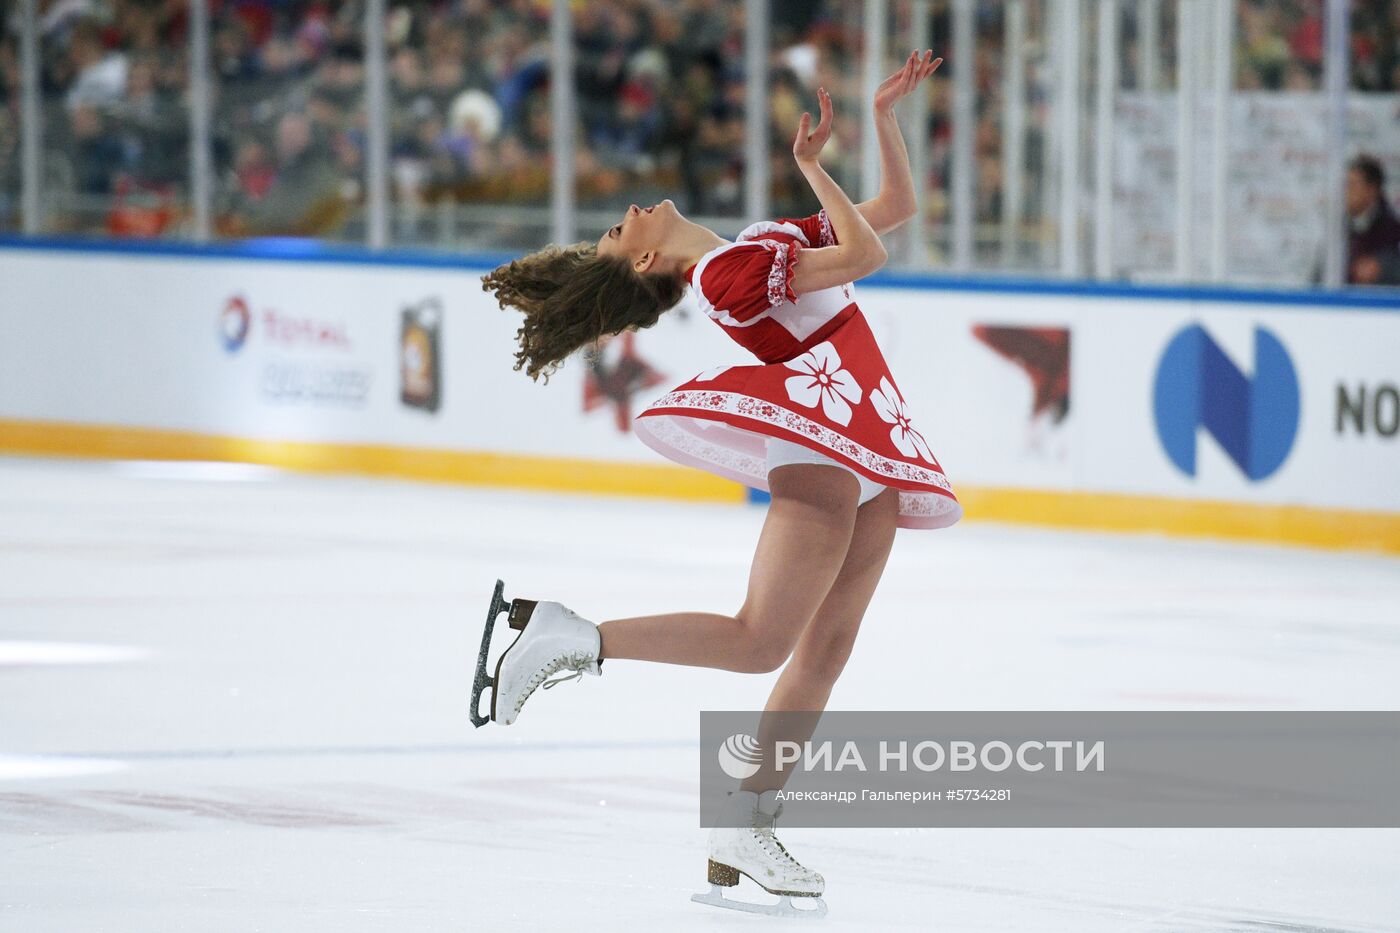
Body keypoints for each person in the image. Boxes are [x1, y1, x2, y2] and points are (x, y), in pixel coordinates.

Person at [477, 51, 956, 917]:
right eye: (620, 232)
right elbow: (870, 253)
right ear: (645, 264)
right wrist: (814, 169)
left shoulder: (746, 248)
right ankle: (570, 636)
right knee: (761, 639)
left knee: (828, 647)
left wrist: (884, 119)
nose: (628, 214)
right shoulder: (727, 278)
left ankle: (745, 821)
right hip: (827, 432)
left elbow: (894, 213)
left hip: (868, 431)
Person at [1345, 155, 1400, 286]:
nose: (1346, 192)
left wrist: (1383, 268)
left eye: (1352, 185)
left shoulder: (1392, 230)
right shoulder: (1340, 228)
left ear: (1372, 190)